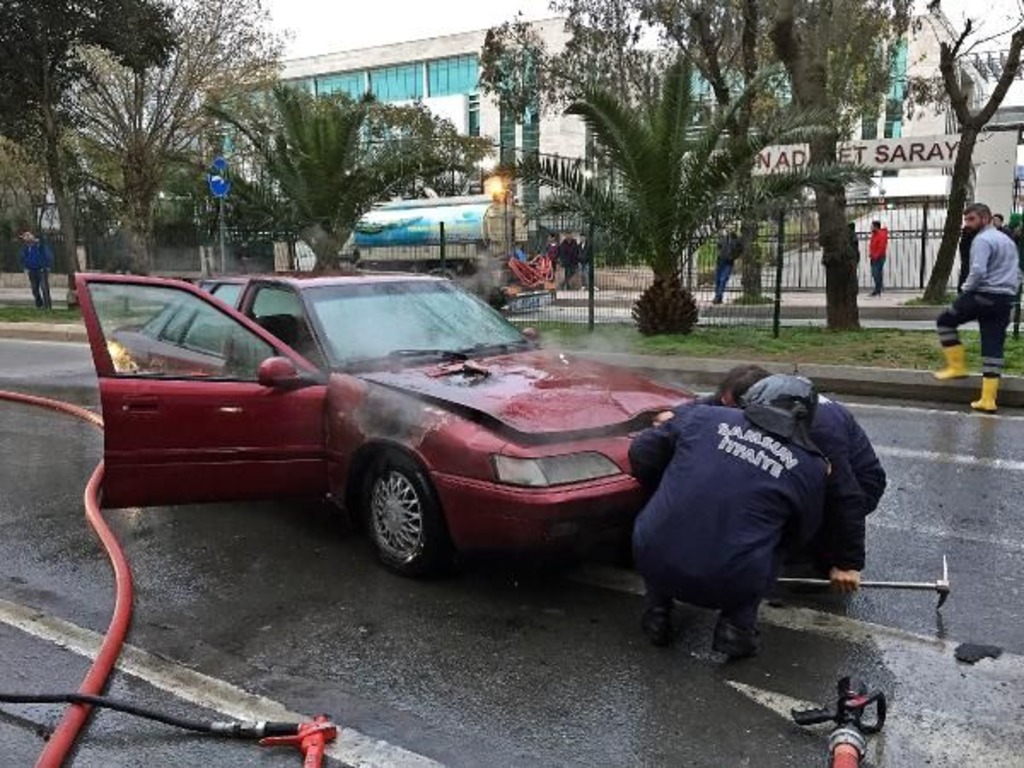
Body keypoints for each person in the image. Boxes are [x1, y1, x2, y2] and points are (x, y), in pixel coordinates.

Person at [630, 375, 831, 658]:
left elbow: (641, 451)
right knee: (770, 547)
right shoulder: (812, 466)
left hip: (649, 552)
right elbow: (801, 533)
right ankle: (737, 627)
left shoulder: (704, 417)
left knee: (666, 523)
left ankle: (657, 610)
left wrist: (663, 487)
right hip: (730, 579)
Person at [653, 363, 885, 590]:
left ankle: (817, 553)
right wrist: (676, 414)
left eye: (740, 411)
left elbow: (845, 496)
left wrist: (847, 563)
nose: (735, 419)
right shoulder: (769, 396)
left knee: (809, 506)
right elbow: (714, 406)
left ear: (760, 401)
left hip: (859, 483)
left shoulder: (820, 431)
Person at [934, 203, 1021, 412]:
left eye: (971, 219)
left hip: (982, 295)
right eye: (966, 220)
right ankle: (988, 399)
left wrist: (965, 290)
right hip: (1004, 301)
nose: (968, 224)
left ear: (985, 218)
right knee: (993, 347)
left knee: (945, 321)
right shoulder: (1007, 240)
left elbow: (978, 271)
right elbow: (1017, 271)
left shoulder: (982, 240)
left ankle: (956, 367)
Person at [19, 229, 54, 310]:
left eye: (28, 235)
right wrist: (25, 267)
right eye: (24, 236)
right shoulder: (26, 248)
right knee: (34, 289)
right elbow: (22, 258)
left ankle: (47, 306)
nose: (26, 238)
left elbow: (47, 255)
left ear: (33, 236)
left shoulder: (40, 245)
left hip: (42, 270)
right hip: (31, 270)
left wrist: (46, 266)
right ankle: (39, 305)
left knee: (44, 287)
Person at [714, 229, 743, 304]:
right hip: (720, 260)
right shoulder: (723, 238)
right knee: (718, 279)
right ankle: (718, 296)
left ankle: (718, 296)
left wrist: (733, 257)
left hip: (728, 262)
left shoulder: (737, 240)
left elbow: (740, 250)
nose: (730, 229)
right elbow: (719, 246)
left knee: (723, 279)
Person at [868, 221, 888, 296]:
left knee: (876, 273)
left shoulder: (881, 235)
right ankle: (878, 289)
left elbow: (881, 247)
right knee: (875, 273)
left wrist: (876, 256)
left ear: (876, 227)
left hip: (878, 257)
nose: (871, 227)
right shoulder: (874, 234)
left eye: (872, 226)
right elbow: (873, 245)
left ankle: (877, 290)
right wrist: (871, 254)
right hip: (874, 257)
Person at [957, 226, 978, 294]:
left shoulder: (967, 238)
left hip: (968, 259)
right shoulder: (969, 238)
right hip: (968, 259)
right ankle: (963, 289)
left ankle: (962, 289)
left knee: (965, 272)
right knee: (966, 272)